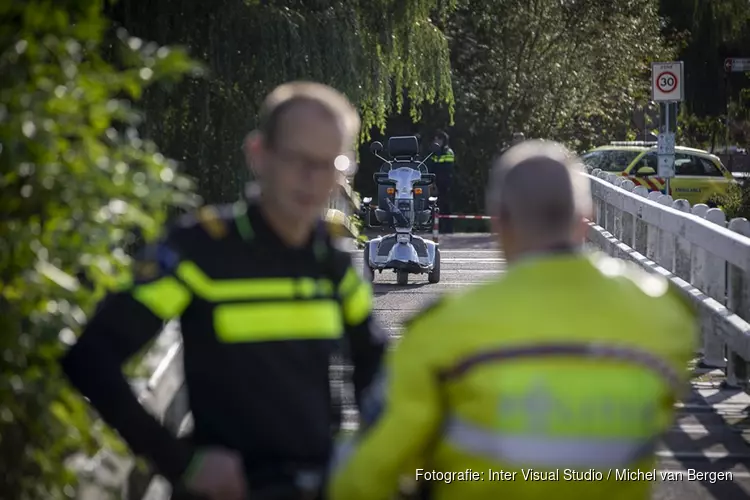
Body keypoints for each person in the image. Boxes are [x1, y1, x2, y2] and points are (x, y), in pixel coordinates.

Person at [61, 81, 388, 500]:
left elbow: (372, 364)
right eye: (297, 159)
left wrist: (383, 450)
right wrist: (179, 461)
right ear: (259, 155)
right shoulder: (200, 251)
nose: (313, 178)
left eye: (330, 164)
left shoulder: (333, 262)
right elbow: (90, 357)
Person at [328, 140, 697, 500]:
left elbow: (364, 476)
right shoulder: (664, 319)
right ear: (587, 221)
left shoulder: (442, 332)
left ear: (499, 222)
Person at [428, 130, 455, 233]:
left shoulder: (448, 152)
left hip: (446, 183)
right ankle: (436, 227)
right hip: (436, 183)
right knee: (435, 205)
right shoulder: (434, 153)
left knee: (446, 205)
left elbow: (447, 168)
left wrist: (439, 153)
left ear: (443, 140)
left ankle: (448, 229)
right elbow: (432, 167)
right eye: (435, 139)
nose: (436, 141)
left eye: (438, 139)